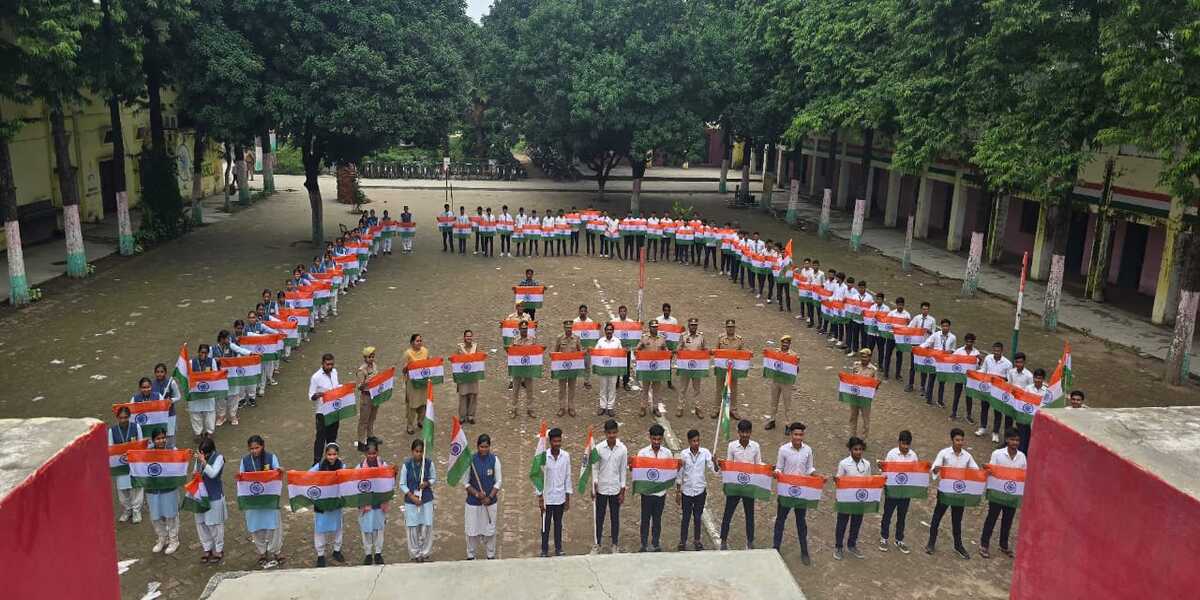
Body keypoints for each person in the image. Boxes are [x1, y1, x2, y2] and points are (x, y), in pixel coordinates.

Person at [926, 428, 978, 560]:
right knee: (937, 517)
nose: (960, 443)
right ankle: (931, 542)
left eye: (962, 440)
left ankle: (958, 545)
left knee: (957, 520)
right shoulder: (944, 453)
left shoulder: (967, 456)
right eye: (957, 440)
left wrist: (982, 472)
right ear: (952, 440)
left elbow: (975, 470)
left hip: (959, 492)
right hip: (945, 491)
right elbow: (935, 469)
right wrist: (936, 469)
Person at [772, 422, 815, 564]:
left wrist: (818, 477)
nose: (798, 437)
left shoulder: (808, 450)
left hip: (801, 492)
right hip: (786, 491)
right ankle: (775, 548)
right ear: (791, 434)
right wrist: (776, 473)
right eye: (796, 434)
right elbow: (779, 467)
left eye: (801, 434)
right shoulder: (783, 450)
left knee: (801, 522)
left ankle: (804, 551)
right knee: (780, 520)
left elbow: (809, 469)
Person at [240, 435, 286, 568]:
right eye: (252, 448)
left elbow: (277, 471)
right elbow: (241, 477)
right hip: (252, 500)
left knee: (274, 526)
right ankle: (262, 552)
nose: (254, 451)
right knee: (256, 527)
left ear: (263, 446)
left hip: (269, 499)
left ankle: (276, 551)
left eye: (257, 448)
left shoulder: (271, 457)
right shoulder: (245, 460)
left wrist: (280, 471)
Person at [979, 428, 1025, 558]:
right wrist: (988, 469)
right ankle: (984, 544)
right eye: (1012, 439)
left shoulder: (1022, 457)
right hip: (997, 492)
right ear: (1007, 440)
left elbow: (1023, 475)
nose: (1015, 442)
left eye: (1017, 440)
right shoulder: (997, 454)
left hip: (1012, 493)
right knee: (992, 518)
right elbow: (992, 470)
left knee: (1008, 519)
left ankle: (1003, 544)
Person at [721, 420, 762, 551]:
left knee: (750, 515)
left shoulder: (755, 446)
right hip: (735, 486)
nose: (745, 435)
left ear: (750, 432)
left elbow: (758, 464)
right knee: (728, 513)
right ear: (738, 432)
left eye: (747, 432)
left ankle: (750, 541)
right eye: (742, 432)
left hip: (749, 486)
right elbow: (729, 464)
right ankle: (723, 540)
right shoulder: (732, 446)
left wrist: (768, 469)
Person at [676, 429, 717, 550]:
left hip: (700, 490)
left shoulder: (705, 453)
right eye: (694, 441)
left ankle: (697, 540)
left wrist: (715, 463)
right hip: (687, 491)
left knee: (698, 517)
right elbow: (679, 474)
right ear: (689, 441)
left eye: (698, 440)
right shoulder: (683, 454)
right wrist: (678, 491)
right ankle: (683, 541)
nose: (696, 443)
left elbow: (714, 471)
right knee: (686, 517)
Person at [465, 434, 502, 560]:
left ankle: (490, 555)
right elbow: (466, 483)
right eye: (481, 447)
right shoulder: (470, 460)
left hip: (490, 503)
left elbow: (498, 482)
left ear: (489, 447)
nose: (484, 449)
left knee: (489, 531)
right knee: (472, 531)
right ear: (477, 447)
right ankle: (471, 555)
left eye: (486, 447)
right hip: (473, 503)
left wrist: (489, 497)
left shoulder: (494, 460)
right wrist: (477, 494)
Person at [879, 430, 917, 554]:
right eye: (903, 444)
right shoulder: (892, 454)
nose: (905, 447)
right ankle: (884, 537)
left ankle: (899, 539)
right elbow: (885, 471)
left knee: (902, 516)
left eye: (908, 444)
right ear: (899, 442)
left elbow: (916, 472)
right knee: (888, 514)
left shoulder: (913, 456)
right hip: (893, 490)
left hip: (905, 491)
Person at [833, 437, 870, 560]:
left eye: (860, 449)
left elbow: (868, 481)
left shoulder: (867, 464)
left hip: (859, 499)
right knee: (842, 523)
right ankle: (838, 547)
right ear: (850, 450)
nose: (858, 452)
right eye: (855, 449)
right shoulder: (844, 463)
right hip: (846, 499)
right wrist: (837, 481)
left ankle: (852, 545)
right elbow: (839, 480)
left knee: (856, 523)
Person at [145, 429, 182, 554]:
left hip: (169, 488)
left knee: (171, 515)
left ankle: (174, 540)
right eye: (158, 438)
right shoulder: (146, 453)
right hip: (153, 489)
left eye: (163, 438)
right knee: (155, 516)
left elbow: (179, 467)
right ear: (153, 440)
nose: (161, 441)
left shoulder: (173, 450)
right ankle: (162, 538)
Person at [592, 419, 627, 552]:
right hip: (601, 488)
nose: (612, 435)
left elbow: (623, 471)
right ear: (605, 433)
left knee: (615, 518)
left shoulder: (622, 449)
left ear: (617, 432)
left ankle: (615, 544)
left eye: (614, 432)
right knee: (599, 518)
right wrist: (594, 484)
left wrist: (622, 491)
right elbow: (595, 468)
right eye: (609, 433)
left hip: (615, 489)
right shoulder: (598, 448)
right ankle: (597, 544)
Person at [636, 424, 671, 552]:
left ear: (662, 438)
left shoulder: (667, 453)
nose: (656, 442)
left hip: (661, 493)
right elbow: (637, 471)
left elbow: (670, 471)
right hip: (647, 493)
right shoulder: (642, 453)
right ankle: (644, 544)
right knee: (645, 519)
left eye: (659, 439)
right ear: (650, 438)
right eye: (654, 439)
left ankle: (656, 543)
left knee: (657, 519)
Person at [537, 428, 572, 557]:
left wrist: (567, 498)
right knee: (545, 525)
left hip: (560, 497)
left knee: (558, 524)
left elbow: (567, 476)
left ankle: (558, 548)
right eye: (554, 441)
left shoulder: (565, 456)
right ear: (550, 442)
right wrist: (540, 497)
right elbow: (538, 477)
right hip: (547, 498)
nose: (557, 444)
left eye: (559, 441)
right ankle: (544, 550)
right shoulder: (543, 457)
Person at [311, 443, 346, 567]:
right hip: (322, 503)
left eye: (334, 454)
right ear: (325, 454)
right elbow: (308, 477)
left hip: (336, 502)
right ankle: (320, 555)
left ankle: (337, 550)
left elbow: (346, 480)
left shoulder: (342, 466)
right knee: (319, 529)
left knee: (338, 527)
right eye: (329, 454)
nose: (332, 457)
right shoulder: (318, 466)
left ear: (338, 454)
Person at [194, 437, 227, 564]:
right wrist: (195, 473)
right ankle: (207, 548)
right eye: (201, 453)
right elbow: (195, 471)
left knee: (215, 525)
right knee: (201, 523)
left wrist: (203, 462)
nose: (203, 456)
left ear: (211, 451)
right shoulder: (199, 457)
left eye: (205, 454)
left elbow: (213, 474)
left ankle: (219, 549)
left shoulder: (219, 458)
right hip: (200, 495)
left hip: (214, 495)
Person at [109, 406, 144, 523]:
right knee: (122, 489)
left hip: (134, 463)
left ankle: (136, 511)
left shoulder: (136, 427)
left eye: (125, 417)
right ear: (117, 418)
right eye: (120, 418)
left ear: (129, 417)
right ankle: (127, 510)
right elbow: (110, 448)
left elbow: (141, 445)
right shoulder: (112, 431)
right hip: (120, 464)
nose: (123, 420)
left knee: (136, 487)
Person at [357, 437, 389, 565]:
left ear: (378, 452)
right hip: (366, 504)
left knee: (379, 529)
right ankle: (368, 553)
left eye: (374, 453)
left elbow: (388, 483)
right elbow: (355, 485)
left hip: (379, 503)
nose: (371, 456)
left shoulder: (384, 466)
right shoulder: (359, 468)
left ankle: (378, 553)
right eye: (369, 453)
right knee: (366, 530)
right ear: (365, 453)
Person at [976, 343, 1013, 442]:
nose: (996, 353)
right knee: (984, 408)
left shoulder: (1008, 364)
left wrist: (1000, 380)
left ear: (1002, 351)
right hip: (987, 388)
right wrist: (974, 373)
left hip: (998, 391)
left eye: (998, 351)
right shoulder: (988, 358)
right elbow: (983, 370)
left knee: (997, 411)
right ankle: (982, 427)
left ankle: (995, 432)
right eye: (995, 350)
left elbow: (1009, 379)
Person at [308, 353, 341, 464]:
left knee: (332, 437)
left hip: (334, 410)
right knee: (320, 438)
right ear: (322, 363)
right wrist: (319, 394)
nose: (330, 367)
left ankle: (332, 460)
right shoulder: (316, 377)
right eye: (327, 364)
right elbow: (311, 396)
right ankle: (316, 462)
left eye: (332, 364)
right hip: (322, 412)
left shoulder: (335, 372)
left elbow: (336, 387)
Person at [920, 318, 957, 406]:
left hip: (944, 362)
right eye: (943, 326)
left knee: (942, 382)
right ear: (941, 326)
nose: (945, 328)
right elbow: (927, 343)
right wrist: (919, 348)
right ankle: (929, 398)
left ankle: (940, 400)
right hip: (935, 361)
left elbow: (954, 349)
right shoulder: (935, 335)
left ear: (949, 327)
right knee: (931, 379)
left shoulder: (953, 337)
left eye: (947, 326)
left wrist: (951, 351)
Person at [636, 320, 669, 417]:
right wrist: (637, 351)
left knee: (656, 389)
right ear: (649, 327)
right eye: (653, 327)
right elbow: (637, 349)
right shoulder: (644, 337)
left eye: (656, 327)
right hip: (647, 368)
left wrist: (668, 353)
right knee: (645, 389)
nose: (654, 328)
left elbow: (665, 350)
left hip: (657, 368)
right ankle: (643, 407)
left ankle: (655, 407)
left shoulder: (662, 338)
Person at [714, 319, 746, 420]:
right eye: (728, 327)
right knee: (719, 388)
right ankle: (717, 409)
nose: (730, 329)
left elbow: (742, 353)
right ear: (726, 327)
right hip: (722, 368)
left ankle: (733, 409)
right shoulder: (721, 338)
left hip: (733, 369)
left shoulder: (739, 339)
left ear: (734, 328)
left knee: (733, 389)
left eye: (732, 327)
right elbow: (716, 351)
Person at [765, 335, 798, 431]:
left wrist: (796, 363)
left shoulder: (793, 355)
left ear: (789, 344)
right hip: (776, 380)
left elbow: (796, 370)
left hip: (787, 382)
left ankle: (788, 424)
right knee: (773, 402)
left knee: (787, 404)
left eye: (786, 343)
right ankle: (772, 420)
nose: (784, 344)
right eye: (783, 342)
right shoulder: (776, 352)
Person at [948, 333, 982, 420]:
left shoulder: (976, 353)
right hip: (960, 376)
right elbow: (952, 360)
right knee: (957, 395)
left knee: (969, 396)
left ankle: (969, 415)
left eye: (971, 342)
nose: (969, 343)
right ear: (965, 341)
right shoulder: (959, 351)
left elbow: (977, 367)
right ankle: (954, 413)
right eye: (967, 341)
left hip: (970, 378)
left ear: (973, 342)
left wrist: (979, 361)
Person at [189, 346, 219, 441]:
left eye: (206, 353)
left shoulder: (212, 361)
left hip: (208, 391)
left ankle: (209, 432)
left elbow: (215, 374)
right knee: (195, 412)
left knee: (210, 412)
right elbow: (188, 376)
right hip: (195, 392)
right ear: (198, 352)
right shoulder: (191, 362)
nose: (204, 354)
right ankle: (198, 433)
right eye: (202, 352)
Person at [848, 348, 879, 439]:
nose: (863, 359)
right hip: (855, 396)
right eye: (862, 357)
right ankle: (852, 437)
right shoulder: (856, 366)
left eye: (865, 357)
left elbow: (875, 385)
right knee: (853, 417)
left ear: (869, 357)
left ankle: (863, 440)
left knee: (865, 419)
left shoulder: (873, 370)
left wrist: (876, 385)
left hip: (865, 398)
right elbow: (851, 378)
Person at [509, 321, 538, 418]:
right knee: (515, 389)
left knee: (529, 389)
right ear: (519, 329)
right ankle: (514, 409)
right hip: (517, 368)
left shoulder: (532, 339)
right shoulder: (515, 339)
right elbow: (511, 352)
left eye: (525, 329)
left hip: (528, 368)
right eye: (522, 329)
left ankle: (530, 409)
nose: (524, 330)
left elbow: (535, 353)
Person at [553, 320, 582, 417]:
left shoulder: (576, 338)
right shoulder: (559, 338)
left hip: (573, 368)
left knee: (572, 388)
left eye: (570, 327)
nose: (568, 329)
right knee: (562, 388)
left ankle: (571, 407)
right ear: (564, 328)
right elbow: (556, 352)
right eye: (567, 327)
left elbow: (580, 352)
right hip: (562, 367)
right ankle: (562, 407)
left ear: (572, 328)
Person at [906, 302, 937, 393]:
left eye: (926, 309)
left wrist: (929, 331)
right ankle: (910, 384)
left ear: (928, 310)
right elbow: (910, 328)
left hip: (925, 347)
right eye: (923, 309)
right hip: (916, 345)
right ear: (921, 309)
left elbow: (934, 334)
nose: (925, 311)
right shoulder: (917, 318)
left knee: (924, 366)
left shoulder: (932, 320)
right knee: (913, 365)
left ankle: (922, 386)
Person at [150, 363, 182, 447]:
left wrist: (171, 400)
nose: (159, 374)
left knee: (170, 436)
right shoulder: (151, 385)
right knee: (158, 435)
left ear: (165, 372)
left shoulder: (171, 383)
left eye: (162, 372)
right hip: (157, 416)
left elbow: (178, 396)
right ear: (155, 373)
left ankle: (171, 451)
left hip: (170, 414)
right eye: (157, 372)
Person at [403, 335, 429, 434]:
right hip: (412, 383)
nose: (419, 342)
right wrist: (406, 367)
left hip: (423, 382)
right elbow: (404, 370)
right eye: (417, 341)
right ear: (412, 342)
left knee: (423, 403)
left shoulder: (425, 351)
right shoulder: (408, 353)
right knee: (412, 405)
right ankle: (410, 425)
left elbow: (428, 363)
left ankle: (420, 421)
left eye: (420, 340)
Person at [355, 347, 379, 452]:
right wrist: (366, 382)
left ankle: (370, 437)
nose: (371, 359)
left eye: (373, 356)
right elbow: (359, 387)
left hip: (375, 395)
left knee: (372, 417)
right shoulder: (362, 370)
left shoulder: (374, 366)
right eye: (369, 357)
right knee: (364, 420)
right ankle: (361, 442)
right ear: (365, 358)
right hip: (366, 396)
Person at [595, 323, 622, 417]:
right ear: (605, 331)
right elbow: (596, 352)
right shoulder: (601, 341)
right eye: (607, 329)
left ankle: (610, 407)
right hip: (603, 368)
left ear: (613, 331)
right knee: (603, 387)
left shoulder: (617, 341)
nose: (609, 331)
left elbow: (621, 354)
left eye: (610, 330)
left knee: (612, 388)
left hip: (613, 369)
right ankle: (602, 406)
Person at [456, 330, 481, 424]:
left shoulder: (475, 347)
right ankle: (462, 416)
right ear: (464, 337)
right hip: (463, 376)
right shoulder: (459, 348)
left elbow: (479, 359)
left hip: (473, 376)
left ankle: (471, 416)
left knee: (473, 395)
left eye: (470, 336)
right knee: (463, 395)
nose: (469, 338)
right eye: (467, 336)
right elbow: (455, 360)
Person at [573, 304, 596, 390]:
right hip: (577, 347)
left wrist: (589, 347)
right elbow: (573, 335)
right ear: (579, 312)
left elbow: (592, 335)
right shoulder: (575, 322)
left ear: (587, 312)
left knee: (587, 365)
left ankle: (587, 381)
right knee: (576, 365)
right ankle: (573, 381)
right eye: (581, 311)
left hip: (587, 348)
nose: (582, 312)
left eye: (584, 311)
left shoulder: (590, 322)